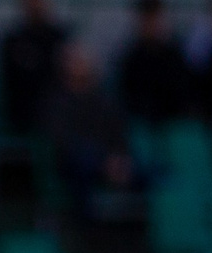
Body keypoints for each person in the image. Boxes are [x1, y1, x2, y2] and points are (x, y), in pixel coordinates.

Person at [46, 44, 144, 229]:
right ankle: (90, 233)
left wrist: (119, 159)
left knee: (151, 173)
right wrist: (103, 161)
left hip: (111, 162)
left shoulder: (104, 100)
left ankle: (142, 233)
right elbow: (63, 141)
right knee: (82, 166)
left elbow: (118, 134)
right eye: (76, 61)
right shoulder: (57, 103)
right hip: (75, 164)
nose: (82, 64)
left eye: (84, 61)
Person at [117, 0, 201, 124]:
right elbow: (130, 97)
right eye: (149, 19)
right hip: (144, 123)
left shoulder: (174, 55)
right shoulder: (132, 59)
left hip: (174, 122)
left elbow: (183, 93)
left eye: (156, 18)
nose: (153, 25)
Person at [0, 0, 74, 133]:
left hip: (57, 113)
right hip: (21, 115)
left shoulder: (59, 38)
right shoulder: (13, 41)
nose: (36, 4)